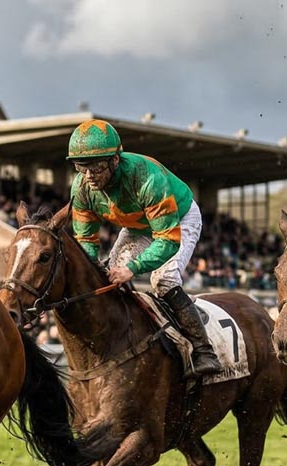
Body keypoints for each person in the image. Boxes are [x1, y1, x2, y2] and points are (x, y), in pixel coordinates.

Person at [67, 119, 222, 375]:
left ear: (115, 160)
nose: (89, 176)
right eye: (81, 168)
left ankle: (204, 350)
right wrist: (91, 266)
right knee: (106, 278)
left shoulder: (147, 178)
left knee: (164, 280)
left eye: (96, 168)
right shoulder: (82, 188)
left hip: (178, 220)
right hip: (138, 226)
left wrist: (132, 268)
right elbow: (86, 240)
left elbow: (167, 240)